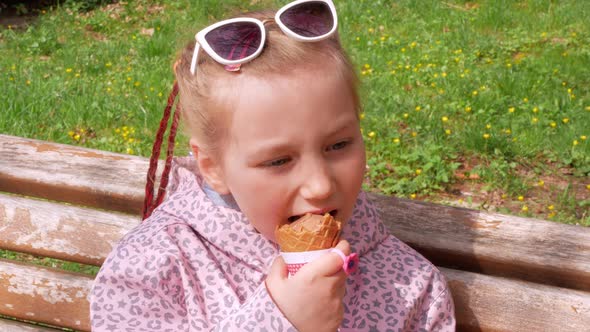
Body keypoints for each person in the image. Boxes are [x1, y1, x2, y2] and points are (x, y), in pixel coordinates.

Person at [90, 1, 455, 331]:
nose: (319, 186)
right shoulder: (150, 269)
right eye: (279, 160)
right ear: (212, 167)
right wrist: (280, 321)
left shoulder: (412, 284)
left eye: (339, 145)